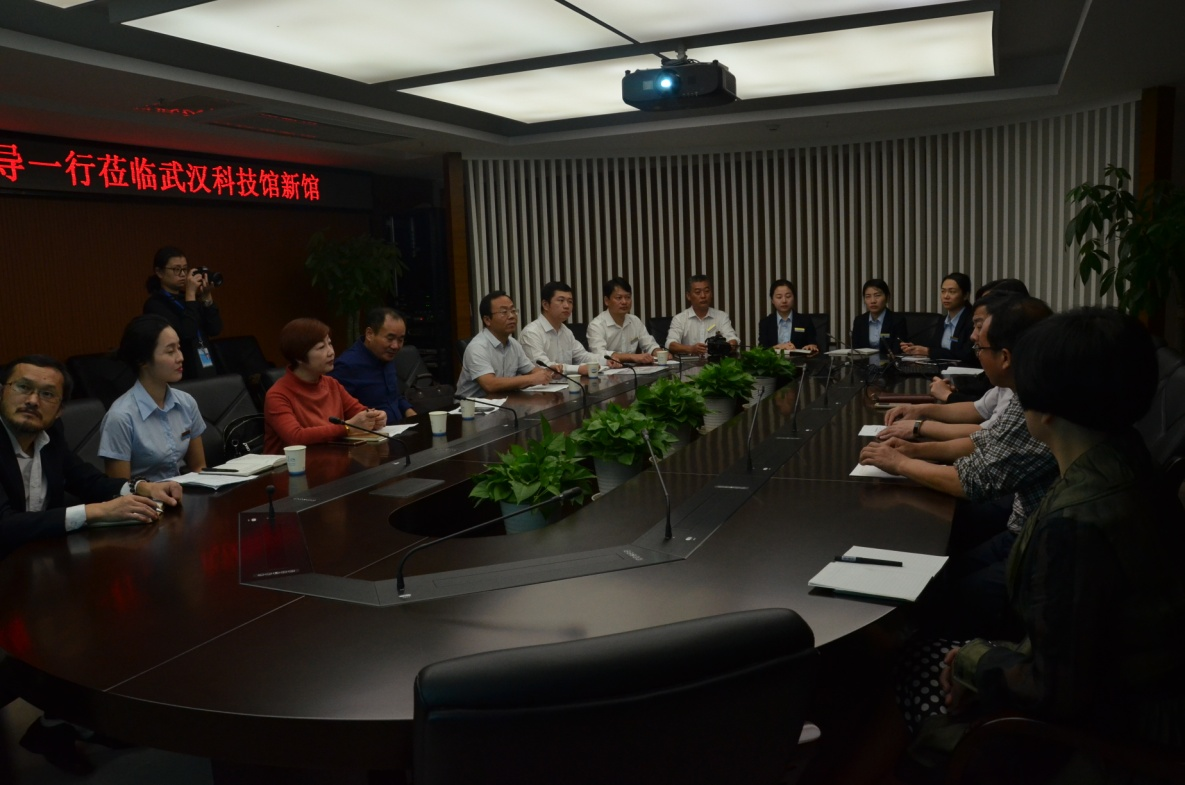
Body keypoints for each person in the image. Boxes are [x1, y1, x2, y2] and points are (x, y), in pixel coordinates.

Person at [921, 308, 1185, 781]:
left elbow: (1052, 689)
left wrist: (973, 661)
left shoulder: (1073, 523)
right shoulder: (1125, 456)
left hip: (1106, 734)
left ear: (1044, 408)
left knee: (904, 668)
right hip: (1129, 696)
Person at [0, 355, 183, 774]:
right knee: (69, 623)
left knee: (122, 601)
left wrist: (139, 487)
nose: (33, 400)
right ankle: (62, 722)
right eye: (23, 388)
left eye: (47, 394)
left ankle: (63, 722)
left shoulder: (51, 434)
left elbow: (86, 479)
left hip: (36, 566)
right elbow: (3, 526)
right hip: (8, 575)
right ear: (2, 392)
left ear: (59, 409)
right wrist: (94, 512)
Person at [860, 296, 1058, 635]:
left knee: (943, 598)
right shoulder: (1028, 390)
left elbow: (974, 480)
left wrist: (901, 461)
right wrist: (914, 448)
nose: (973, 345)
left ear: (1005, 357)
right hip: (1024, 527)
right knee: (944, 575)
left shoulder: (1039, 402)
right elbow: (985, 441)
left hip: (1039, 544)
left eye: (980, 345)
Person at [99, 315, 207, 481]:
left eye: (179, 348)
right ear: (143, 360)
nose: (180, 357)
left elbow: (199, 468)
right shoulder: (120, 417)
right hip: (142, 497)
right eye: (170, 351)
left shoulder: (186, 402)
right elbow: (120, 489)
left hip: (184, 492)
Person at [263, 318, 386, 454]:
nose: (331, 352)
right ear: (298, 357)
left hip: (333, 459)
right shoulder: (278, 394)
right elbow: (295, 437)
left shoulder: (331, 383)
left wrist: (375, 417)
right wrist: (347, 428)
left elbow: (359, 412)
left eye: (330, 343)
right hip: (291, 465)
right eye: (321, 347)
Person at [456, 291, 557, 399]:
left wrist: (547, 373)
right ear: (487, 320)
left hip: (504, 401)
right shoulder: (477, 347)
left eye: (513, 311)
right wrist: (532, 379)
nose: (511, 316)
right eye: (504, 312)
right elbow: (490, 384)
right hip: (473, 406)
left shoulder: (513, 344)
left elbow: (531, 370)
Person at [142, 246, 223, 380]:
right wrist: (190, 294)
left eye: (185, 269)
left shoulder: (189, 299)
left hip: (205, 362)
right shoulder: (155, 305)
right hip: (182, 371)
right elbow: (187, 333)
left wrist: (206, 296)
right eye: (176, 269)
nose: (182, 274)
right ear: (159, 272)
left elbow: (215, 329)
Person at [329, 307, 418, 424]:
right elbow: (335, 413)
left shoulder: (386, 355)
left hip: (400, 427)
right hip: (370, 432)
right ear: (370, 334)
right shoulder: (346, 366)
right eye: (390, 338)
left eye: (400, 340)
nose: (395, 346)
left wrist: (409, 410)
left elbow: (393, 396)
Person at [519, 282, 603, 375]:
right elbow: (543, 366)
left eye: (570, 301)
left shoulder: (566, 331)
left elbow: (583, 356)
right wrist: (578, 369)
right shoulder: (531, 333)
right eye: (561, 300)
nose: (567, 306)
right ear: (545, 305)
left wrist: (607, 361)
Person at [900, 273, 976, 365]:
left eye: (952, 292)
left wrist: (928, 351)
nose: (946, 296)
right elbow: (935, 348)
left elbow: (967, 354)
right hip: (940, 369)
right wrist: (917, 349)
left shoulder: (972, 321)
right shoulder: (942, 320)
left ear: (965, 295)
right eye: (943, 291)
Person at [585, 276, 660, 365]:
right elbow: (600, 354)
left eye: (628, 297)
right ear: (606, 301)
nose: (624, 302)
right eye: (619, 298)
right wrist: (632, 357)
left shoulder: (635, 321)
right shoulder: (596, 325)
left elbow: (649, 344)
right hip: (608, 371)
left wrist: (657, 351)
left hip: (633, 370)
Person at [666, 274, 738, 356]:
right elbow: (670, 344)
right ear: (688, 296)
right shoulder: (679, 319)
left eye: (707, 291)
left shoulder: (722, 316)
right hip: (689, 362)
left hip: (715, 362)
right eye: (698, 292)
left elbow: (732, 339)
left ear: (711, 294)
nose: (703, 296)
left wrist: (731, 344)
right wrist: (691, 349)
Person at [758, 279, 818, 353]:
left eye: (788, 296)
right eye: (779, 297)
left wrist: (811, 346)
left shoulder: (805, 321)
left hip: (799, 359)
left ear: (794, 298)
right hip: (774, 360)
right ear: (772, 300)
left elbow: (813, 343)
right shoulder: (765, 323)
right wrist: (778, 347)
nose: (784, 300)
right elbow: (762, 349)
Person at [850, 278, 907, 352]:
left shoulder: (897, 321)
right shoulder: (859, 321)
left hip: (889, 359)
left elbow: (898, 349)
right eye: (868, 296)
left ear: (887, 297)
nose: (873, 301)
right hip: (864, 359)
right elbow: (856, 349)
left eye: (877, 295)